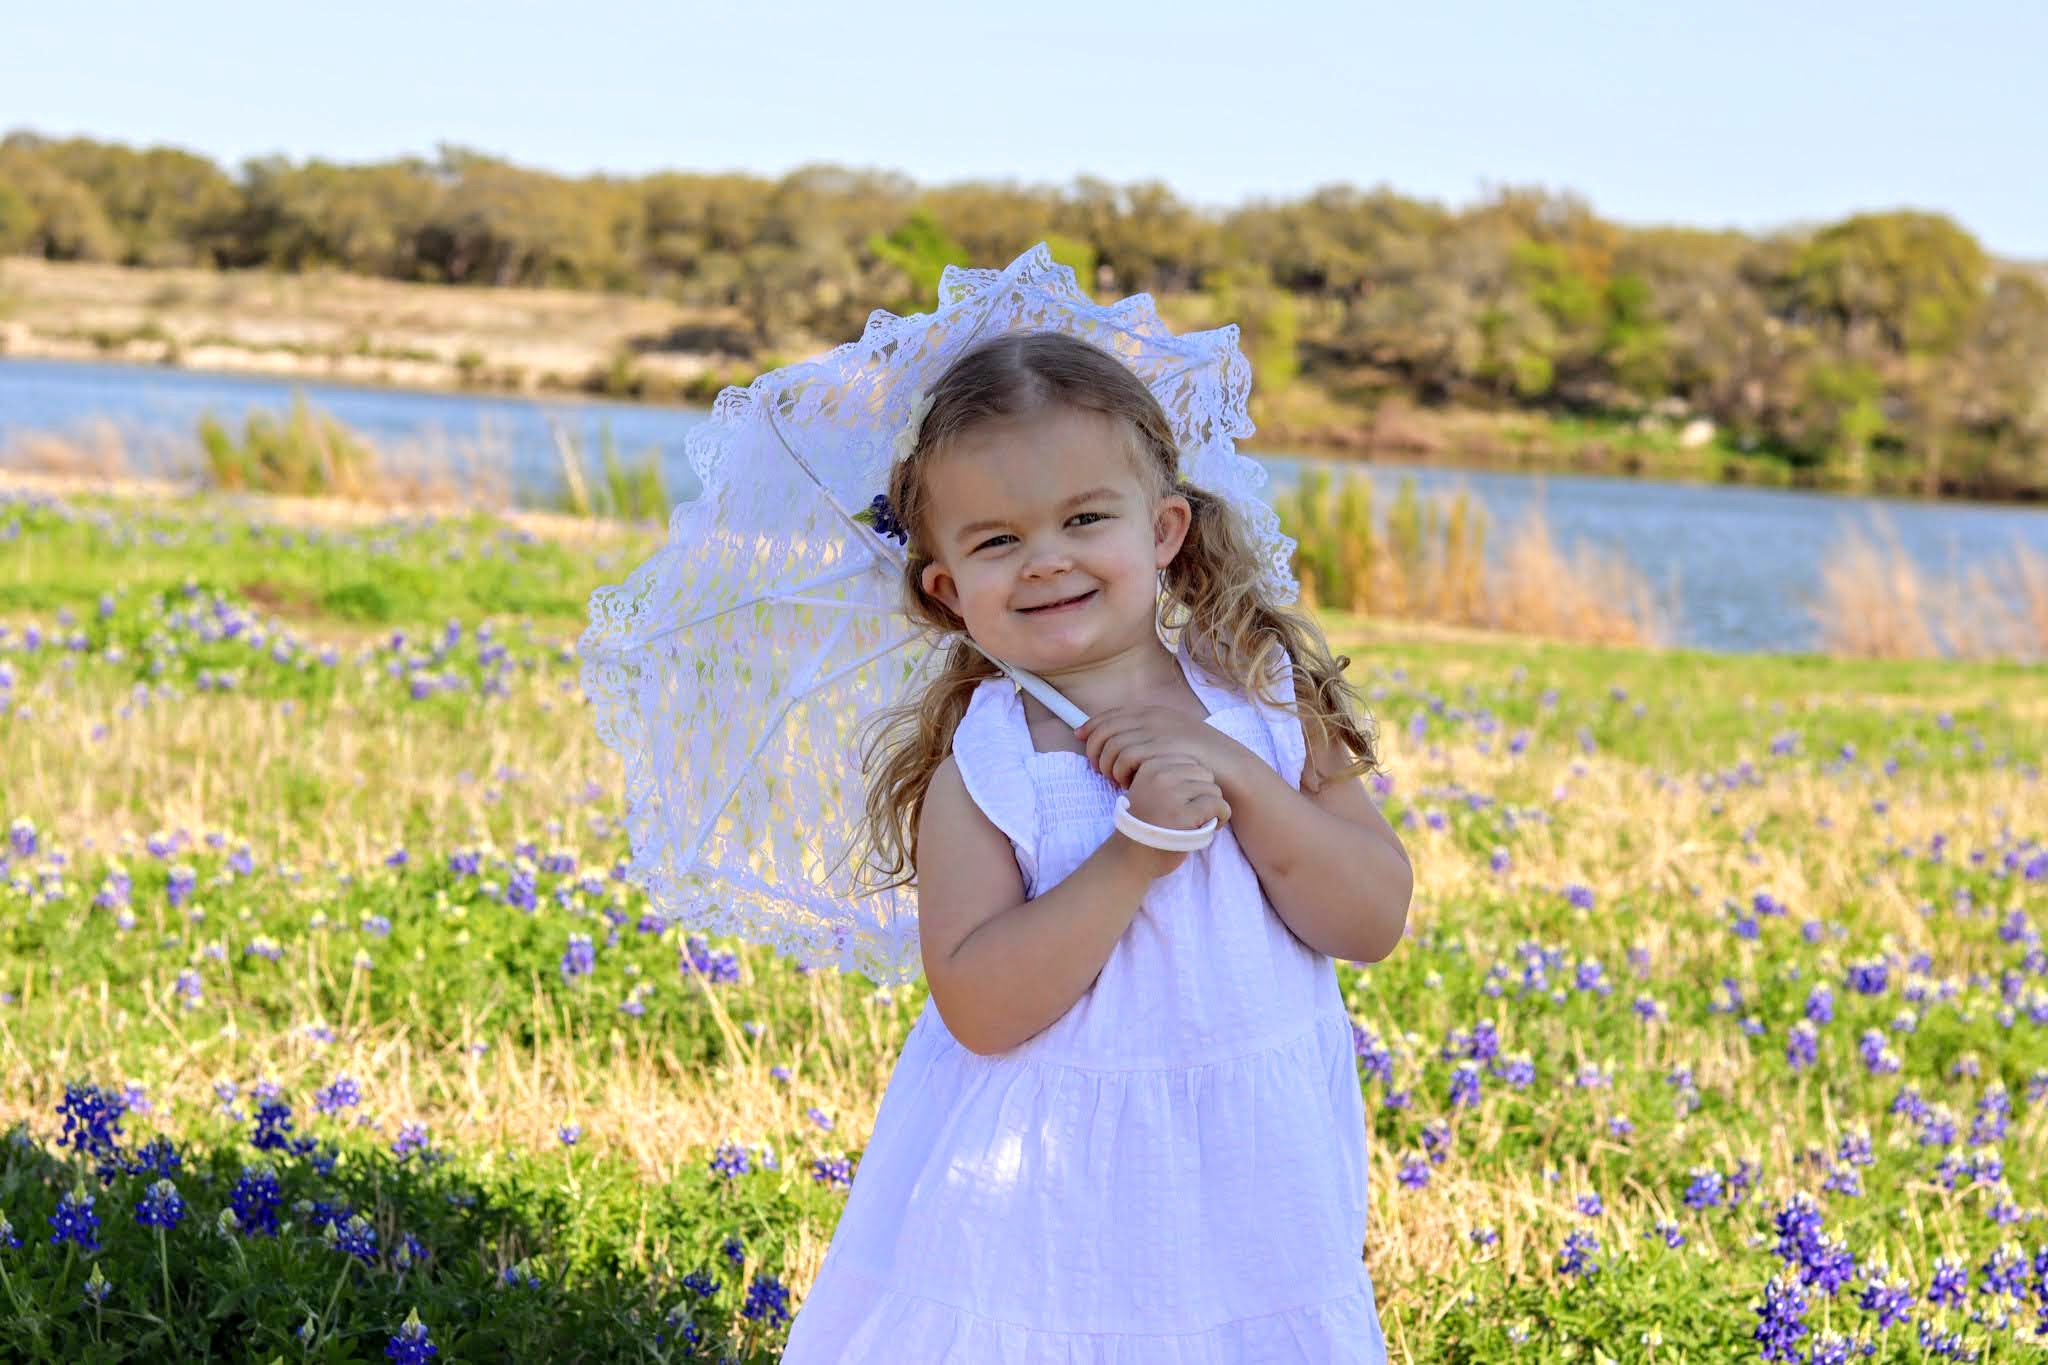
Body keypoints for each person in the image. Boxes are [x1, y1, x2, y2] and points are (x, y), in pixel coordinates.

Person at [780, 330, 1412, 1363]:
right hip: (1045, 1197)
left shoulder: (1260, 694)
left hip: (1254, 1176)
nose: (1047, 559)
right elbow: (980, 1008)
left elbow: (1371, 918)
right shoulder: (986, 763)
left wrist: (1236, 773)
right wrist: (1132, 857)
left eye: (1084, 518)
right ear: (946, 590)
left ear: (1163, 529)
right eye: (996, 541)